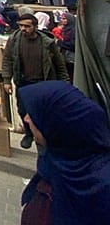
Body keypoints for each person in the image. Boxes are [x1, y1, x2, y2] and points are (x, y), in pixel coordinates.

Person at [19, 81, 110, 225]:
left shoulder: (101, 190)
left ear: (57, 127)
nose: (26, 119)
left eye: (35, 115)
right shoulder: (54, 164)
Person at [1, 13, 69, 149]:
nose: (23, 29)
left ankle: (43, 136)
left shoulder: (47, 43)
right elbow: (7, 60)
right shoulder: (14, 40)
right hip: (23, 82)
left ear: (35, 27)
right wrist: (7, 80)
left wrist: (64, 83)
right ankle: (29, 133)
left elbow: (59, 64)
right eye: (21, 26)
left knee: (44, 111)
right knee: (23, 110)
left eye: (27, 26)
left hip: (43, 82)